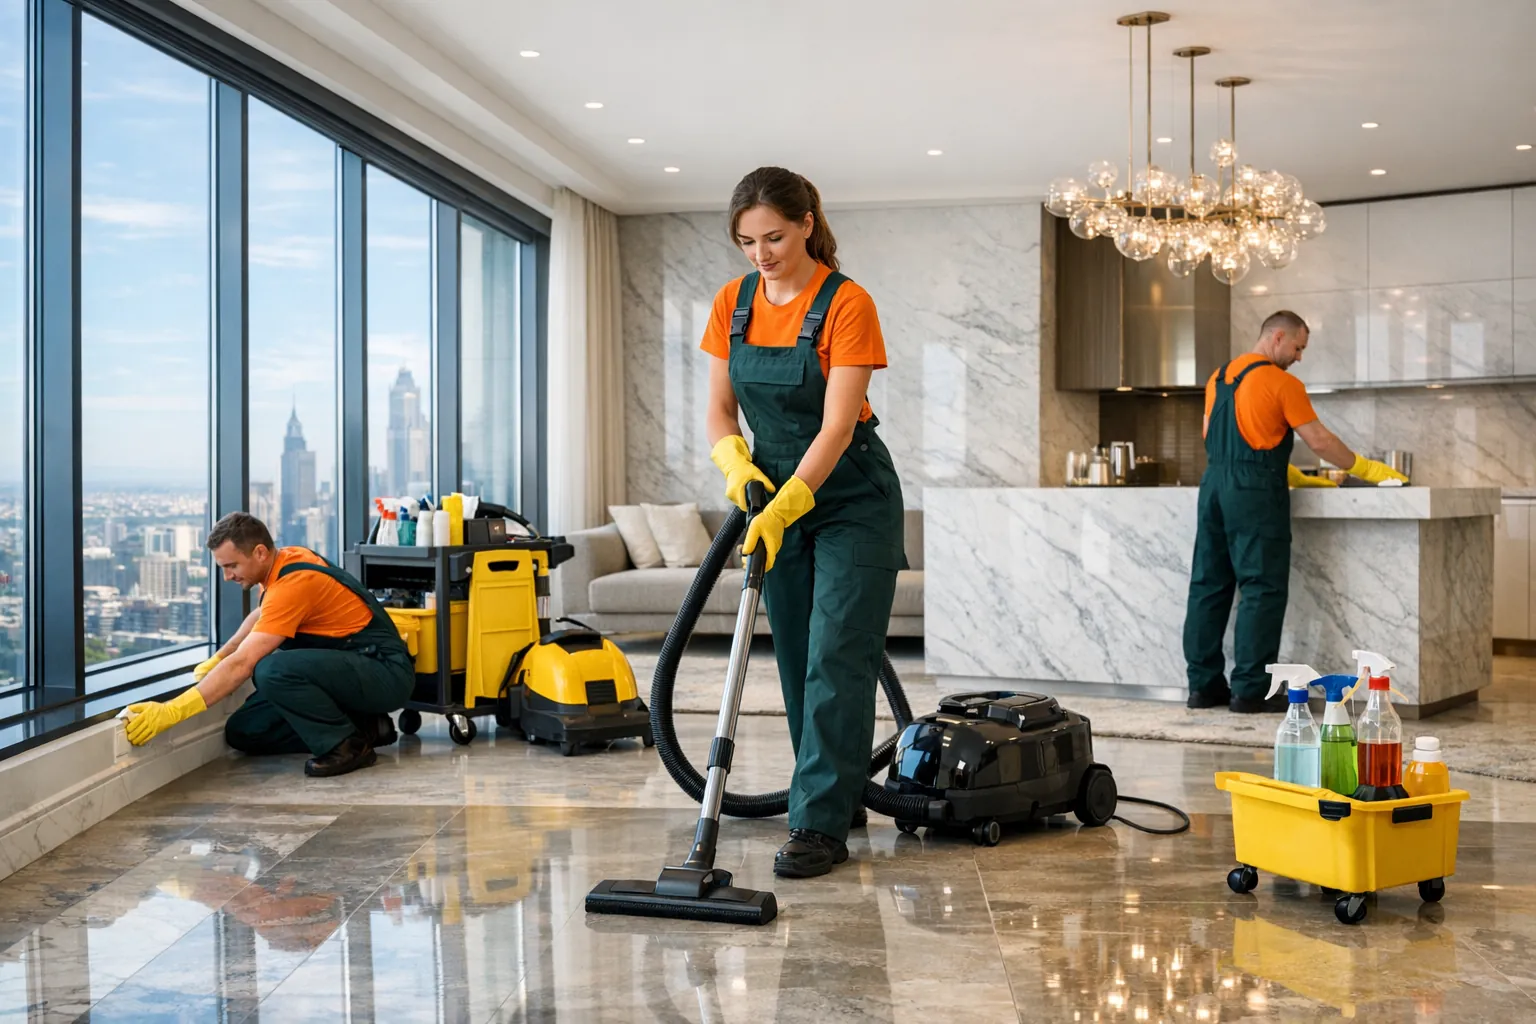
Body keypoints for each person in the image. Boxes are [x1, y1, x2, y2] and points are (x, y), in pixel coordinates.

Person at [701, 166, 903, 878]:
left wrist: (792, 499)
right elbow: (721, 410)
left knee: (836, 654)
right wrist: (737, 466)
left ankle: (817, 825)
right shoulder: (733, 303)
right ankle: (834, 796)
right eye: (747, 241)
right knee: (793, 658)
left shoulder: (848, 303)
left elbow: (838, 426)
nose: (761, 253)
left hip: (850, 497)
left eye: (775, 236)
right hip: (774, 493)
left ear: (808, 222)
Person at [1183, 310, 1407, 714]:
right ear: (1278, 337)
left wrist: (1280, 469)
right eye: (1299, 347)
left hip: (1214, 485)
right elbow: (1319, 441)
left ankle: (1203, 687)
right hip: (1253, 494)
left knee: (1208, 586)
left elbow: (1211, 435)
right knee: (1260, 588)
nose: (1299, 357)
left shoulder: (1218, 379)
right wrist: (1363, 467)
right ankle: (1249, 691)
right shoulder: (1283, 382)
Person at [123, 512, 414, 777]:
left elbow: (243, 666)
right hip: (349, 670)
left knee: (272, 669)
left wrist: (171, 711)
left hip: (384, 672)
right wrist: (222, 655)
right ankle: (368, 727)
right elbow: (263, 615)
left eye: (232, 565)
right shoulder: (285, 562)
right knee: (244, 730)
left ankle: (347, 746)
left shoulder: (295, 584)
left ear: (259, 552)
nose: (227, 576)